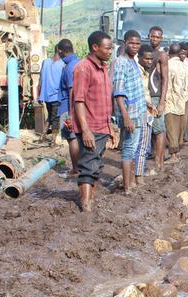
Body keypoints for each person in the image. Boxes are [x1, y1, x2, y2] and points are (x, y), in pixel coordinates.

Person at [72, 31, 114, 212]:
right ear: (95, 47)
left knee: (96, 165)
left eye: (111, 47)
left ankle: (87, 199)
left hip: (102, 126)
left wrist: (110, 127)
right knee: (88, 166)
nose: (110, 51)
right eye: (107, 48)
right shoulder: (84, 68)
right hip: (91, 126)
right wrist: (86, 130)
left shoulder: (103, 67)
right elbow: (79, 100)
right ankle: (86, 206)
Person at [112, 29, 147, 193]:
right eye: (131, 43)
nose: (135, 46)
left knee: (133, 148)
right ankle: (127, 188)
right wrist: (125, 117)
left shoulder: (133, 61)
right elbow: (118, 92)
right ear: (125, 43)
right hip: (130, 115)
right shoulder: (121, 62)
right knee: (128, 150)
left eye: (137, 43)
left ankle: (131, 182)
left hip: (138, 112)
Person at [57, 38, 80, 177]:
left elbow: (72, 90)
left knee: (72, 138)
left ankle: (75, 170)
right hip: (76, 107)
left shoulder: (70, 66)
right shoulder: (78, 62)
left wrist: (71, 114)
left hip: (68, 107)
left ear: (60, 51)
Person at [163, 43, 188, 163]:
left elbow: (167, 84)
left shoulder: (168, 65)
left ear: (169, 52)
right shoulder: (184, 66)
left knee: (171, 128)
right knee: (179, 127)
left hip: (170, 100)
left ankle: (173, 155)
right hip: (182, 100)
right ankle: (177, 152)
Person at [148, 26, 169, 172]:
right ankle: (157, 158)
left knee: (159, 130)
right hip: (147, 97)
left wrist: (162, 101)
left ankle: (159, 162)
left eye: (157, 37)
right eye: (152, 36)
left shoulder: (162, 56)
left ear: (161, 39)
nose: (154, 39)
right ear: (148, 36)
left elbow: (165, 79)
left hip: (156, 97)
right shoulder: (145, 53)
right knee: (151, 130)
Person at [138, 44, 160, 175]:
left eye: (151, 59)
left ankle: (139, 172)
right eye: (147, 59)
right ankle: (138, 174)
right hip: (140, 110)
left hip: (147, 109)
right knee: (141, 146)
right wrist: (148, 104)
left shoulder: (145, 71)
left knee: (144, 144)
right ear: (139, 57)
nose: (150, 62)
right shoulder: (137, 71)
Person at [38, 45, 65, 141]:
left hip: (46, 96)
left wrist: (39, 95)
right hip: (56, 96)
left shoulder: (45, 62)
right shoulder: (62, 64)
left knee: (50, 116)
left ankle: (42, 136)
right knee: (55, 119)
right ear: (59, 50)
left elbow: (40, 79)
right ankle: (53, 141)